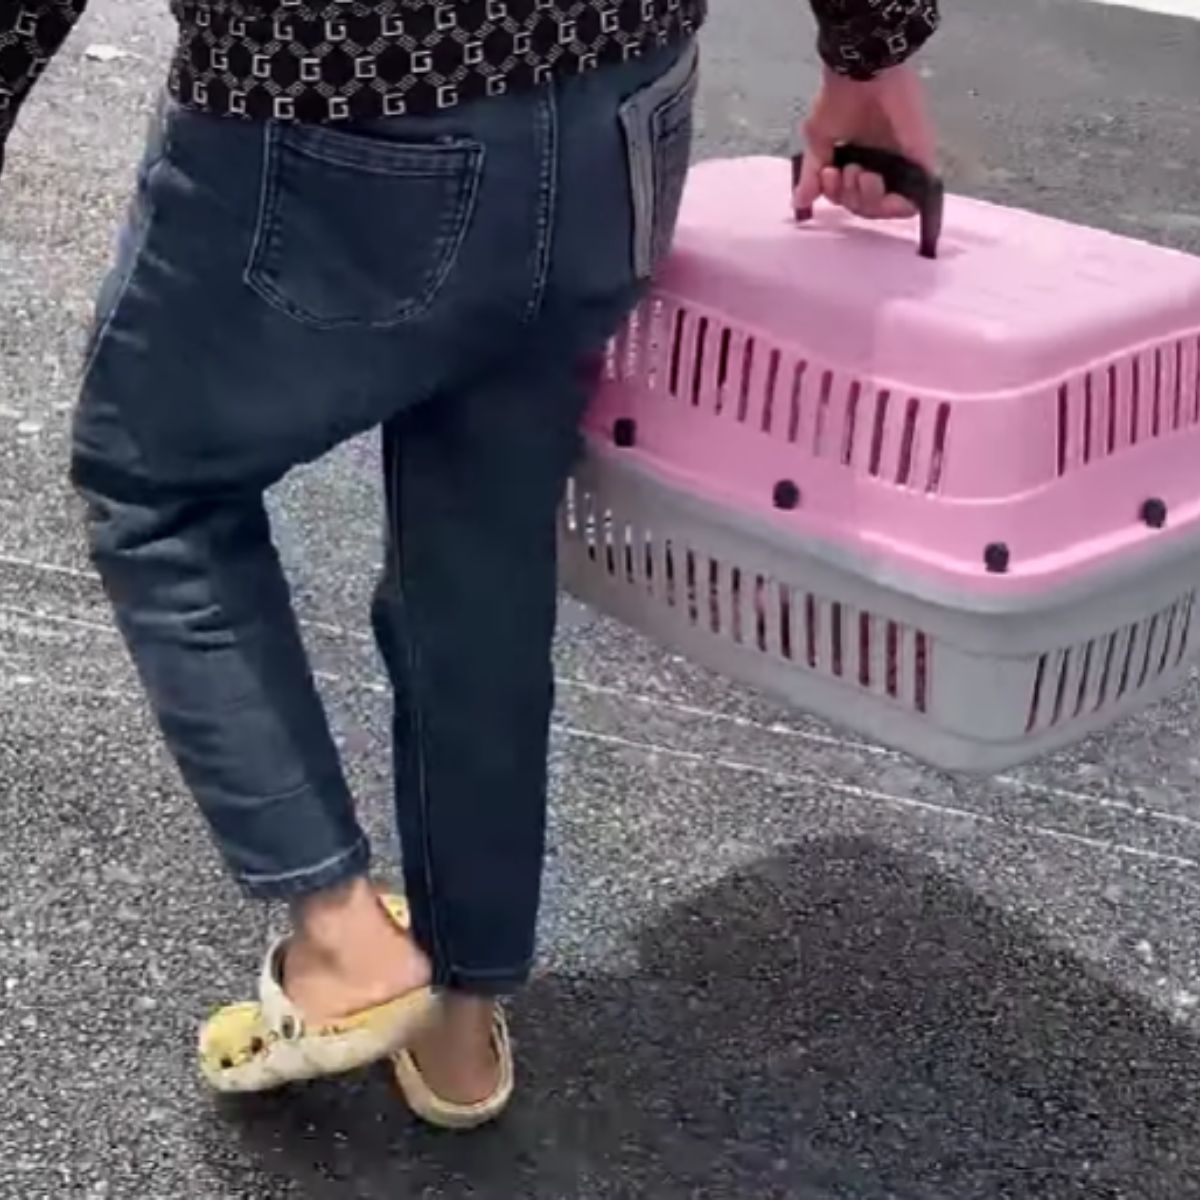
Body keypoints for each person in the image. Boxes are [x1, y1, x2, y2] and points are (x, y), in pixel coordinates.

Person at [0, 0, 938, 1127]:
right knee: (483, 547)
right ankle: (460, 1017)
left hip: (340, 90)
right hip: (617, 96)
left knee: (156, 482)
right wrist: (872, 48)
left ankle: (344, 939)